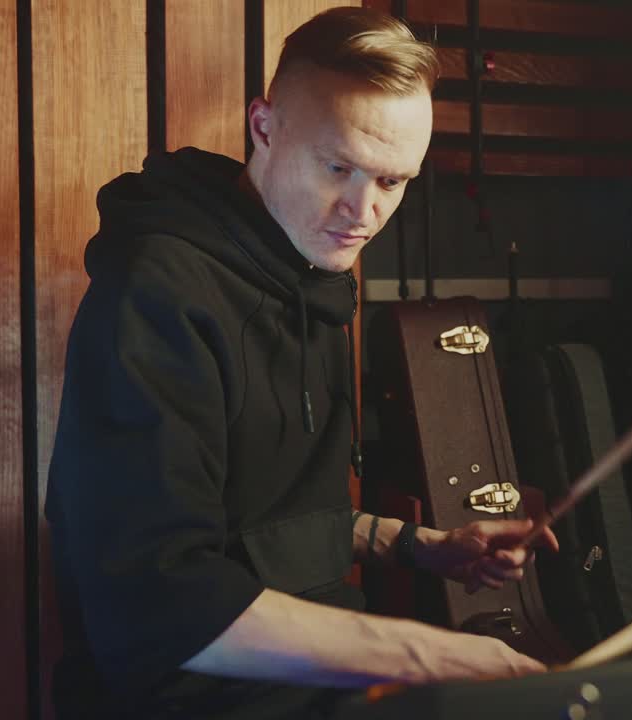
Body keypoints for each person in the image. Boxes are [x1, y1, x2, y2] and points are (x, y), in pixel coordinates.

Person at [45, 7, 555, 719]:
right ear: (263, 126)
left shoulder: (312, 268)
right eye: (339, 167)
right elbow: (157, 600)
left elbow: (266, 520)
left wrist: (424, 548)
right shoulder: (156, 295)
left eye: (392, 182)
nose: (364, 211)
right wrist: (429, 652)